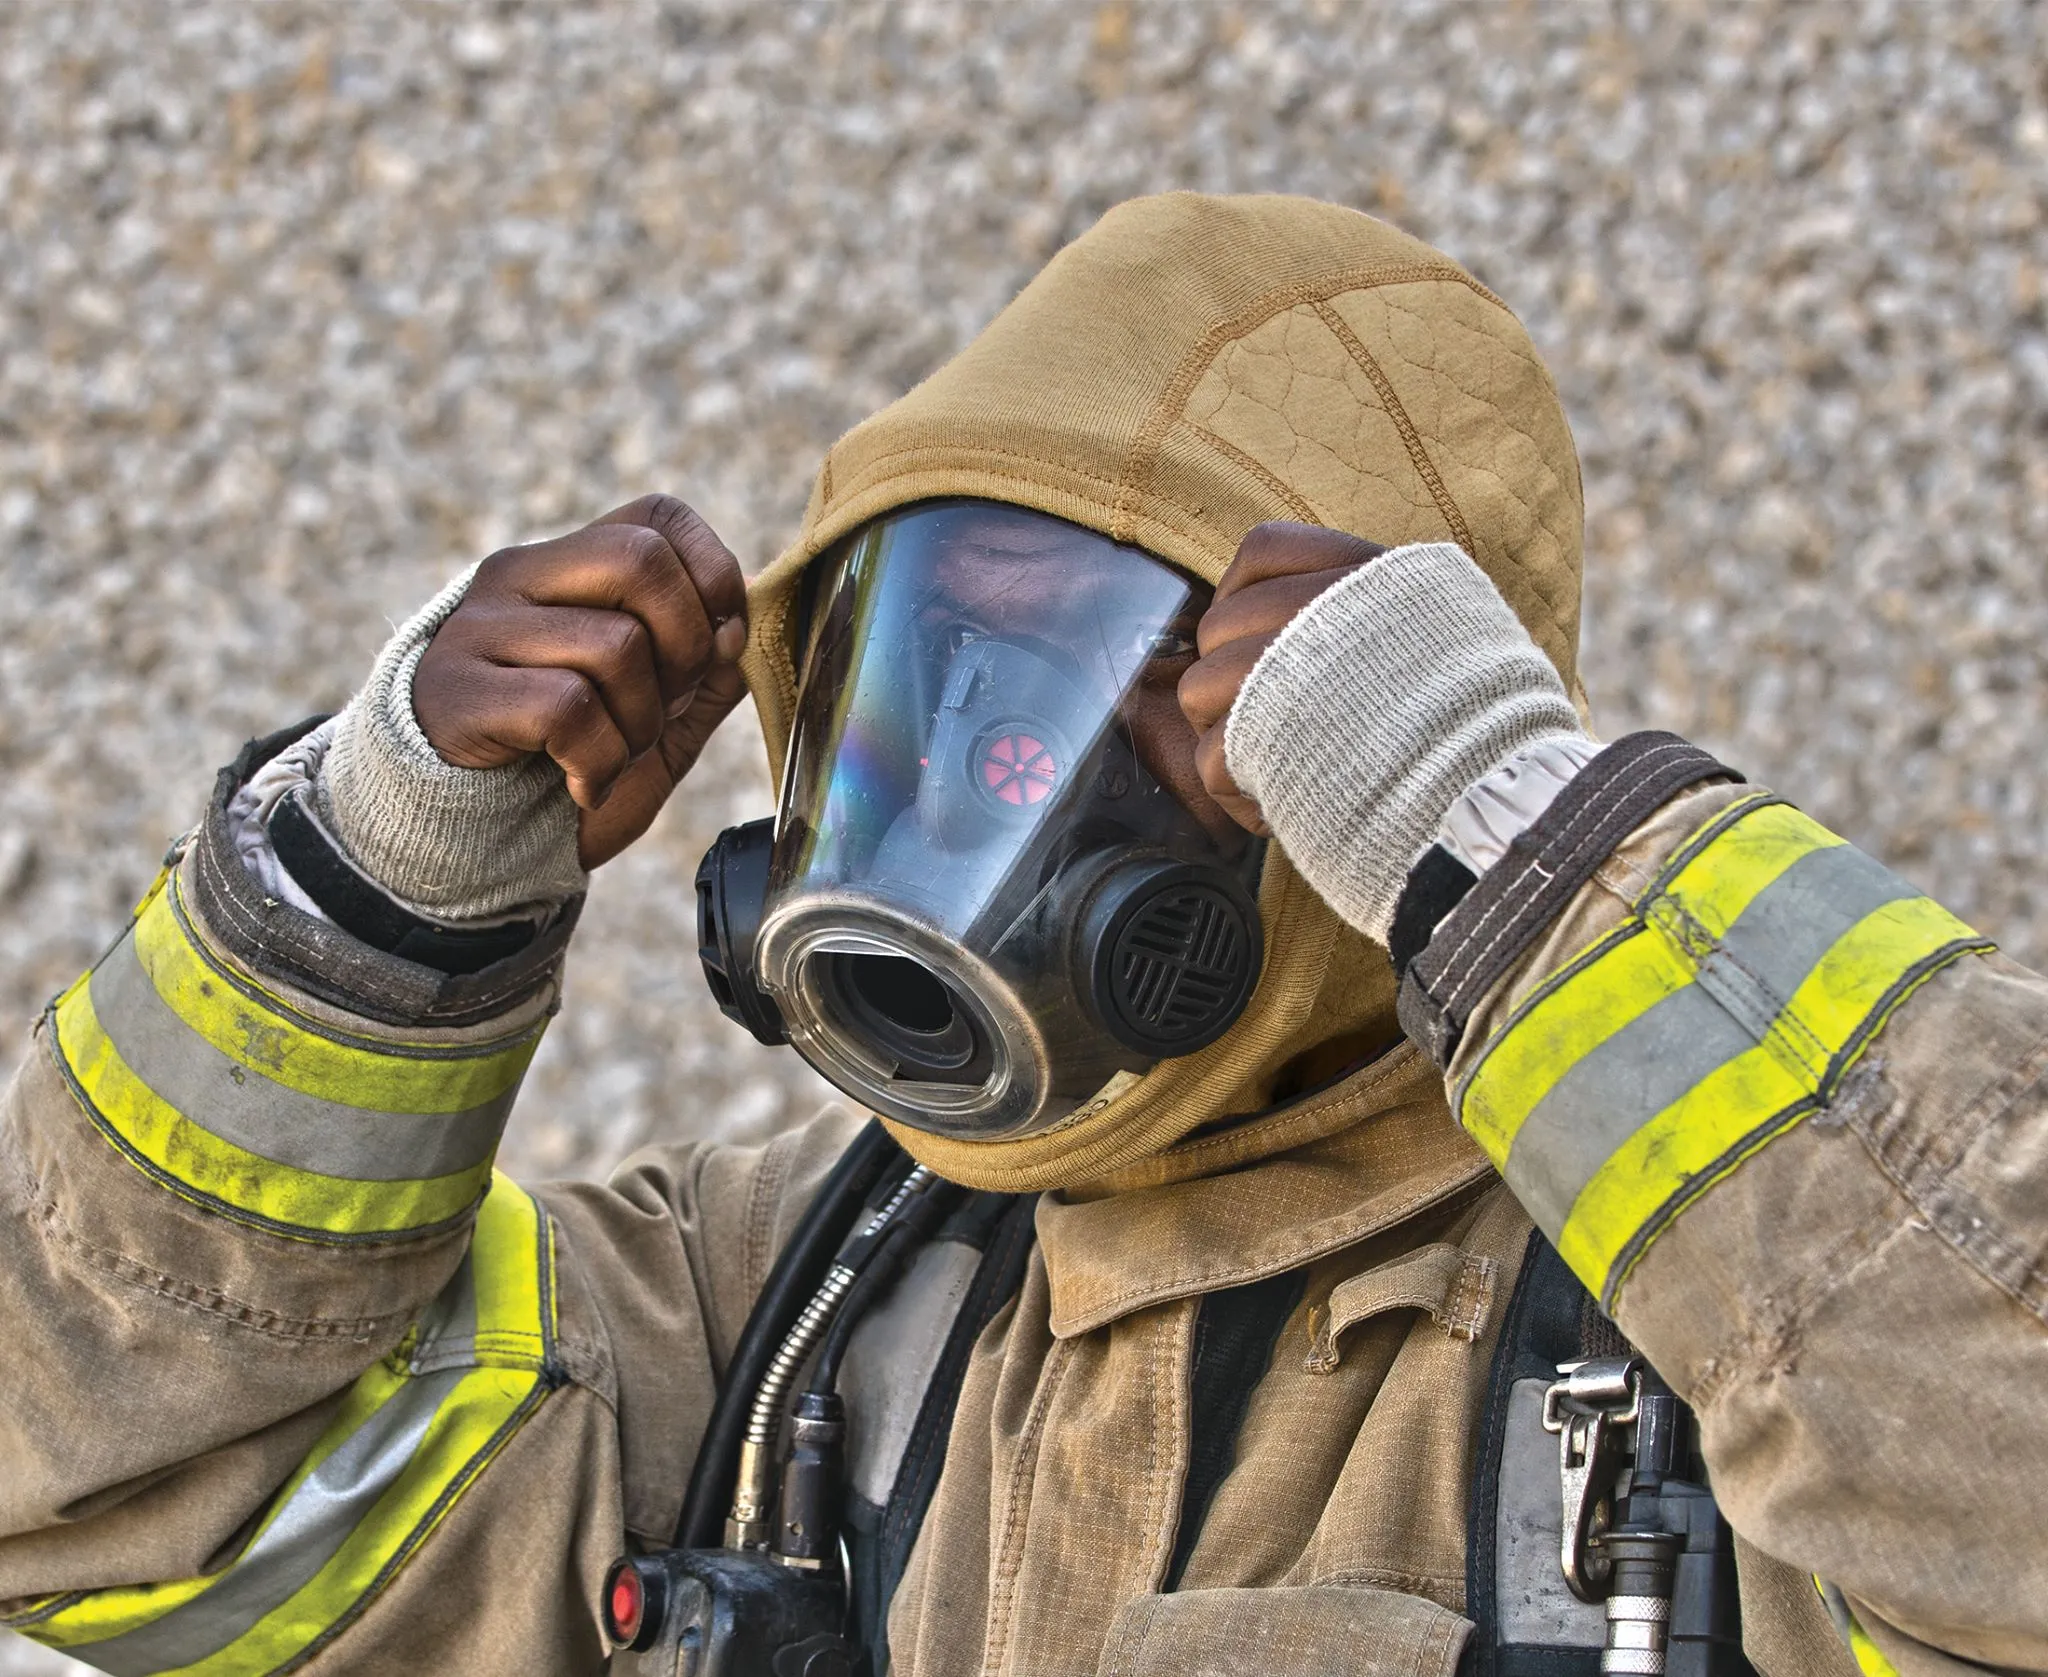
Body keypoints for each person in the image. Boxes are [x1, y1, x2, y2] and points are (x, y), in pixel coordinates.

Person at [1, 192, 2040, 1677]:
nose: (997, 793)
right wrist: (369, 891)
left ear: (1361, 720)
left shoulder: (1696, 1336)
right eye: (943, 679)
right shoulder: (785, 1314)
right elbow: (102, 1480)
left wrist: (1529, 843)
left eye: (1144, 705)